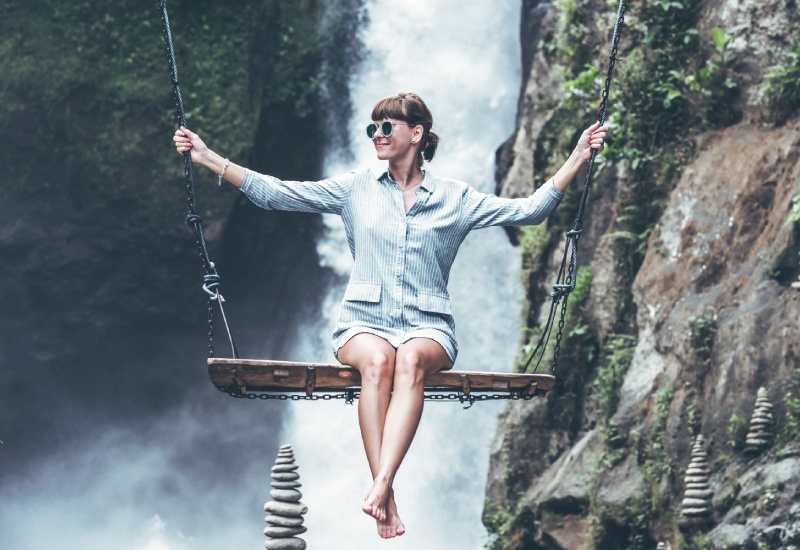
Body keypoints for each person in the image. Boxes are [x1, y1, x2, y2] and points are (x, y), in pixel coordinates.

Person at [173, 92, 607, 539]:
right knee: (379, 362)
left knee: (411, 360)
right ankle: (387, 491)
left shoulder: (456, 198)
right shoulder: (356, 188)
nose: (377, 135)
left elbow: (530, 211)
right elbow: (279, 194)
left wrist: (578, 156)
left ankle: (380, 485)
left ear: (416, 134)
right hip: (362, 322)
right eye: (373, 128)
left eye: (387, 127)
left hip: (429, 325)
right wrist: (208, 157)